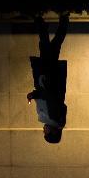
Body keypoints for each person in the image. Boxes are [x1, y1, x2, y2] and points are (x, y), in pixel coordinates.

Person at [27, 13, 69, 144]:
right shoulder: (54, 117)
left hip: (50, 76)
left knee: (53, 45)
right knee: (48, 45)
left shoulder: (57, 119)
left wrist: (34, 95)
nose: (43, 131)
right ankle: (40, 19)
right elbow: (49, 97)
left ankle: (50, 21)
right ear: (53, 132)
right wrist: (34, 95)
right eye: (46, 133)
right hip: (48, 76)